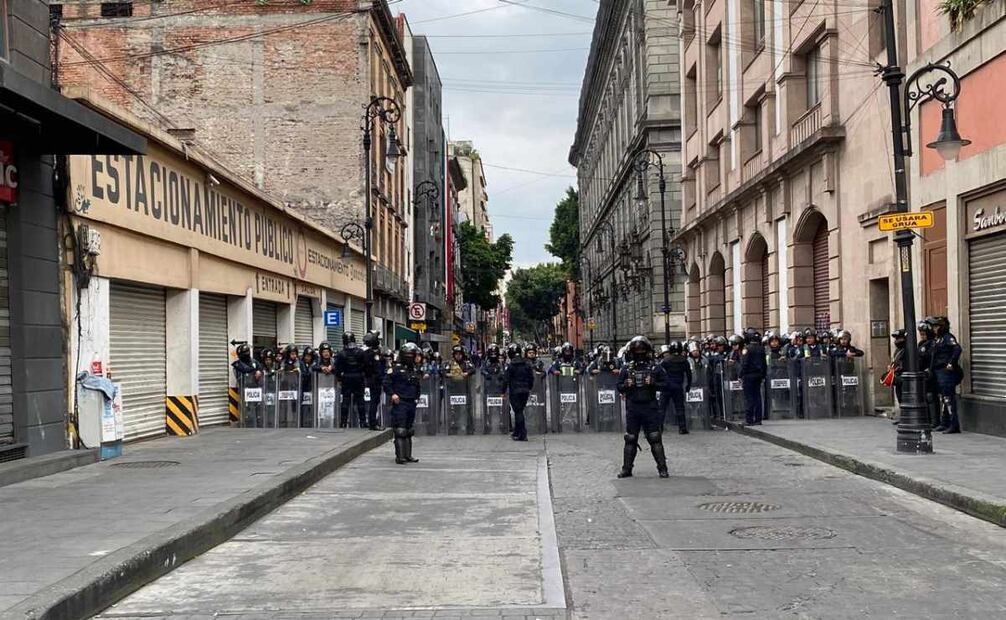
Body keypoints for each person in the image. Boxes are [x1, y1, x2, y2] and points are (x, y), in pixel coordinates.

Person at [616, 336, 670, 479]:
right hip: (633, 406)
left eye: (642, 350)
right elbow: (619, 386)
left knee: (654, 437)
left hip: (649, 406)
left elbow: (666, 385)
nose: (640, 353)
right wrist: (626, 385)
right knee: (630, 438)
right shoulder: (627, 368)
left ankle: (662, 468)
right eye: (637, 351)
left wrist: (653, 383)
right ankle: (627, 469)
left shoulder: (655, 368)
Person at [384, 342, 424, 464]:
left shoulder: (414, 369)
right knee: (400, 430)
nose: (415, 358)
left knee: (409, 429)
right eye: (413, 355)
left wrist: (417, 397)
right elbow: (386, 383)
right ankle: (400, 456)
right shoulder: (395, 369)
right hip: (400, 402)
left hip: (411, 401)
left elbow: (417, 385)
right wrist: (392, 394)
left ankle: (408, 455)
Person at [930, 316, 963, 434]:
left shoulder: (948, 337)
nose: (934, 329)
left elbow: (957, 349)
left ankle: (954, 425)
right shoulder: (938, 339)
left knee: (948, 398)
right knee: (944, 398)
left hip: (946, 373)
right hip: (939, 372)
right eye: (934, 327)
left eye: (936, 326)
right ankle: (944, 423)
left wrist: (951, 363)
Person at [503, 344, 535, 441]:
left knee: (518, 411)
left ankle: (523, 434)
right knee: (520, 410)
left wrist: (503, 391)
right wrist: (529, 387)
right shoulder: (526, 364)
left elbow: (506, 379)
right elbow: (531, 377)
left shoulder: (511, 366)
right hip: (525, 390)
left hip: (515, 391)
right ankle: (517, 432)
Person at [658, 342, 692, 435]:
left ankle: (659, 427)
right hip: (678, 385)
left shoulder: (666, 360)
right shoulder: (684, 361)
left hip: (666, 386)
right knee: (679, 407)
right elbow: (689, 374)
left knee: (662, 408)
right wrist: (688, 386)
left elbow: (659, 370)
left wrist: (659, 383)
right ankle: (682, 427)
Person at [335, 333, 367, 428]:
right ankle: (363, 421)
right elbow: (365, 365)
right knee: (360, 400)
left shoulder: (341, 353)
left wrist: (339, 379)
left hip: (347, 377)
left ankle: (343, 422)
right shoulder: (360, 352)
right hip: (358, 377)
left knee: (345, 400)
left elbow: (338, 368)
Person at [740, 327, 767, 425]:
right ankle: (758, 419)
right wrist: (763, 375)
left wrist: (741, 375)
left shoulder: (747, 349)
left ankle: (749, 419)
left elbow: (745, 364)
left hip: (749, 375)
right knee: (757, 397)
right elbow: (764, 364)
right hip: (758, 375)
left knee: (749, 397)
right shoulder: (761, 348)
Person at [362, 331, 386, 430]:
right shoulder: (373, 354)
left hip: (371, 379)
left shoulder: (368, 353)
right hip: (374, 380)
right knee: (374, 402)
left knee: (374, 401)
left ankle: (373, 421)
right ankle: (373, 422)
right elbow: (377, 368)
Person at [917, 319, 939, 428]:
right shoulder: (921, 344)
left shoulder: (933, 344)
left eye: (924, 334)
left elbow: (933, 358)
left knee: (930, 397)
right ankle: (927, 420)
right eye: (921, 334)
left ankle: (934, 421)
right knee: (925, 397)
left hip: (930, 374)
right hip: (922, 374)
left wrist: (929, 369)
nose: (922, 336)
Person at [886, 330, 907, 424]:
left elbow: (905, 364)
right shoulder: (897, 350)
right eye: (896, 339)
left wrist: (897, 369)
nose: (897, 341)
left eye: (899, 338)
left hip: (904, 376)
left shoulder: (907, 350)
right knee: (899, 396)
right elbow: (895, 361)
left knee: (904, 397)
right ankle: (903, 417)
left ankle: (906, 417)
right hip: (897, 376)